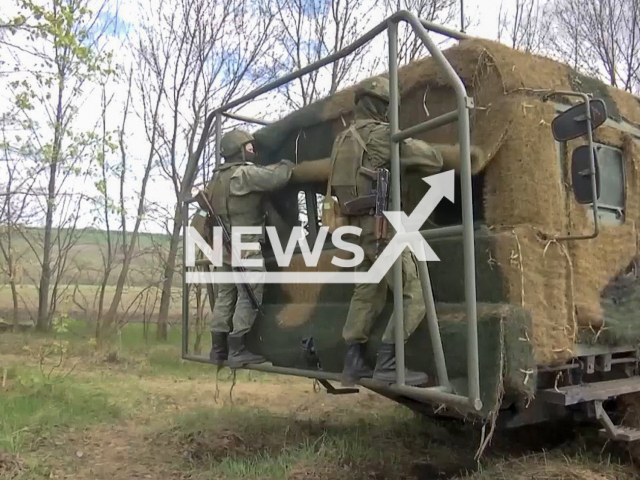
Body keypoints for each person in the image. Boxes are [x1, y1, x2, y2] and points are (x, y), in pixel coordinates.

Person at [328, 76, 471, 386]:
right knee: (415, 293)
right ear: (381, 106)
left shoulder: (341, 140)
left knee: (366, 292)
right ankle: (389, 363)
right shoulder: (381, 136)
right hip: (383, 226)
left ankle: (353, 362)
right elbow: (429, 159)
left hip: (354, 228)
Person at [204, 129, 294, 367]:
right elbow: (277, 178)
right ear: (238, 150)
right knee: (250, 293)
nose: (252, 149)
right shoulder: (243, 174)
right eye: (248, 146)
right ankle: (237, 349)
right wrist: (287, 164)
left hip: (219, 243)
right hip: (242, 241)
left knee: (225, 294)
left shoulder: (215, 180)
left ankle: (218, 350)